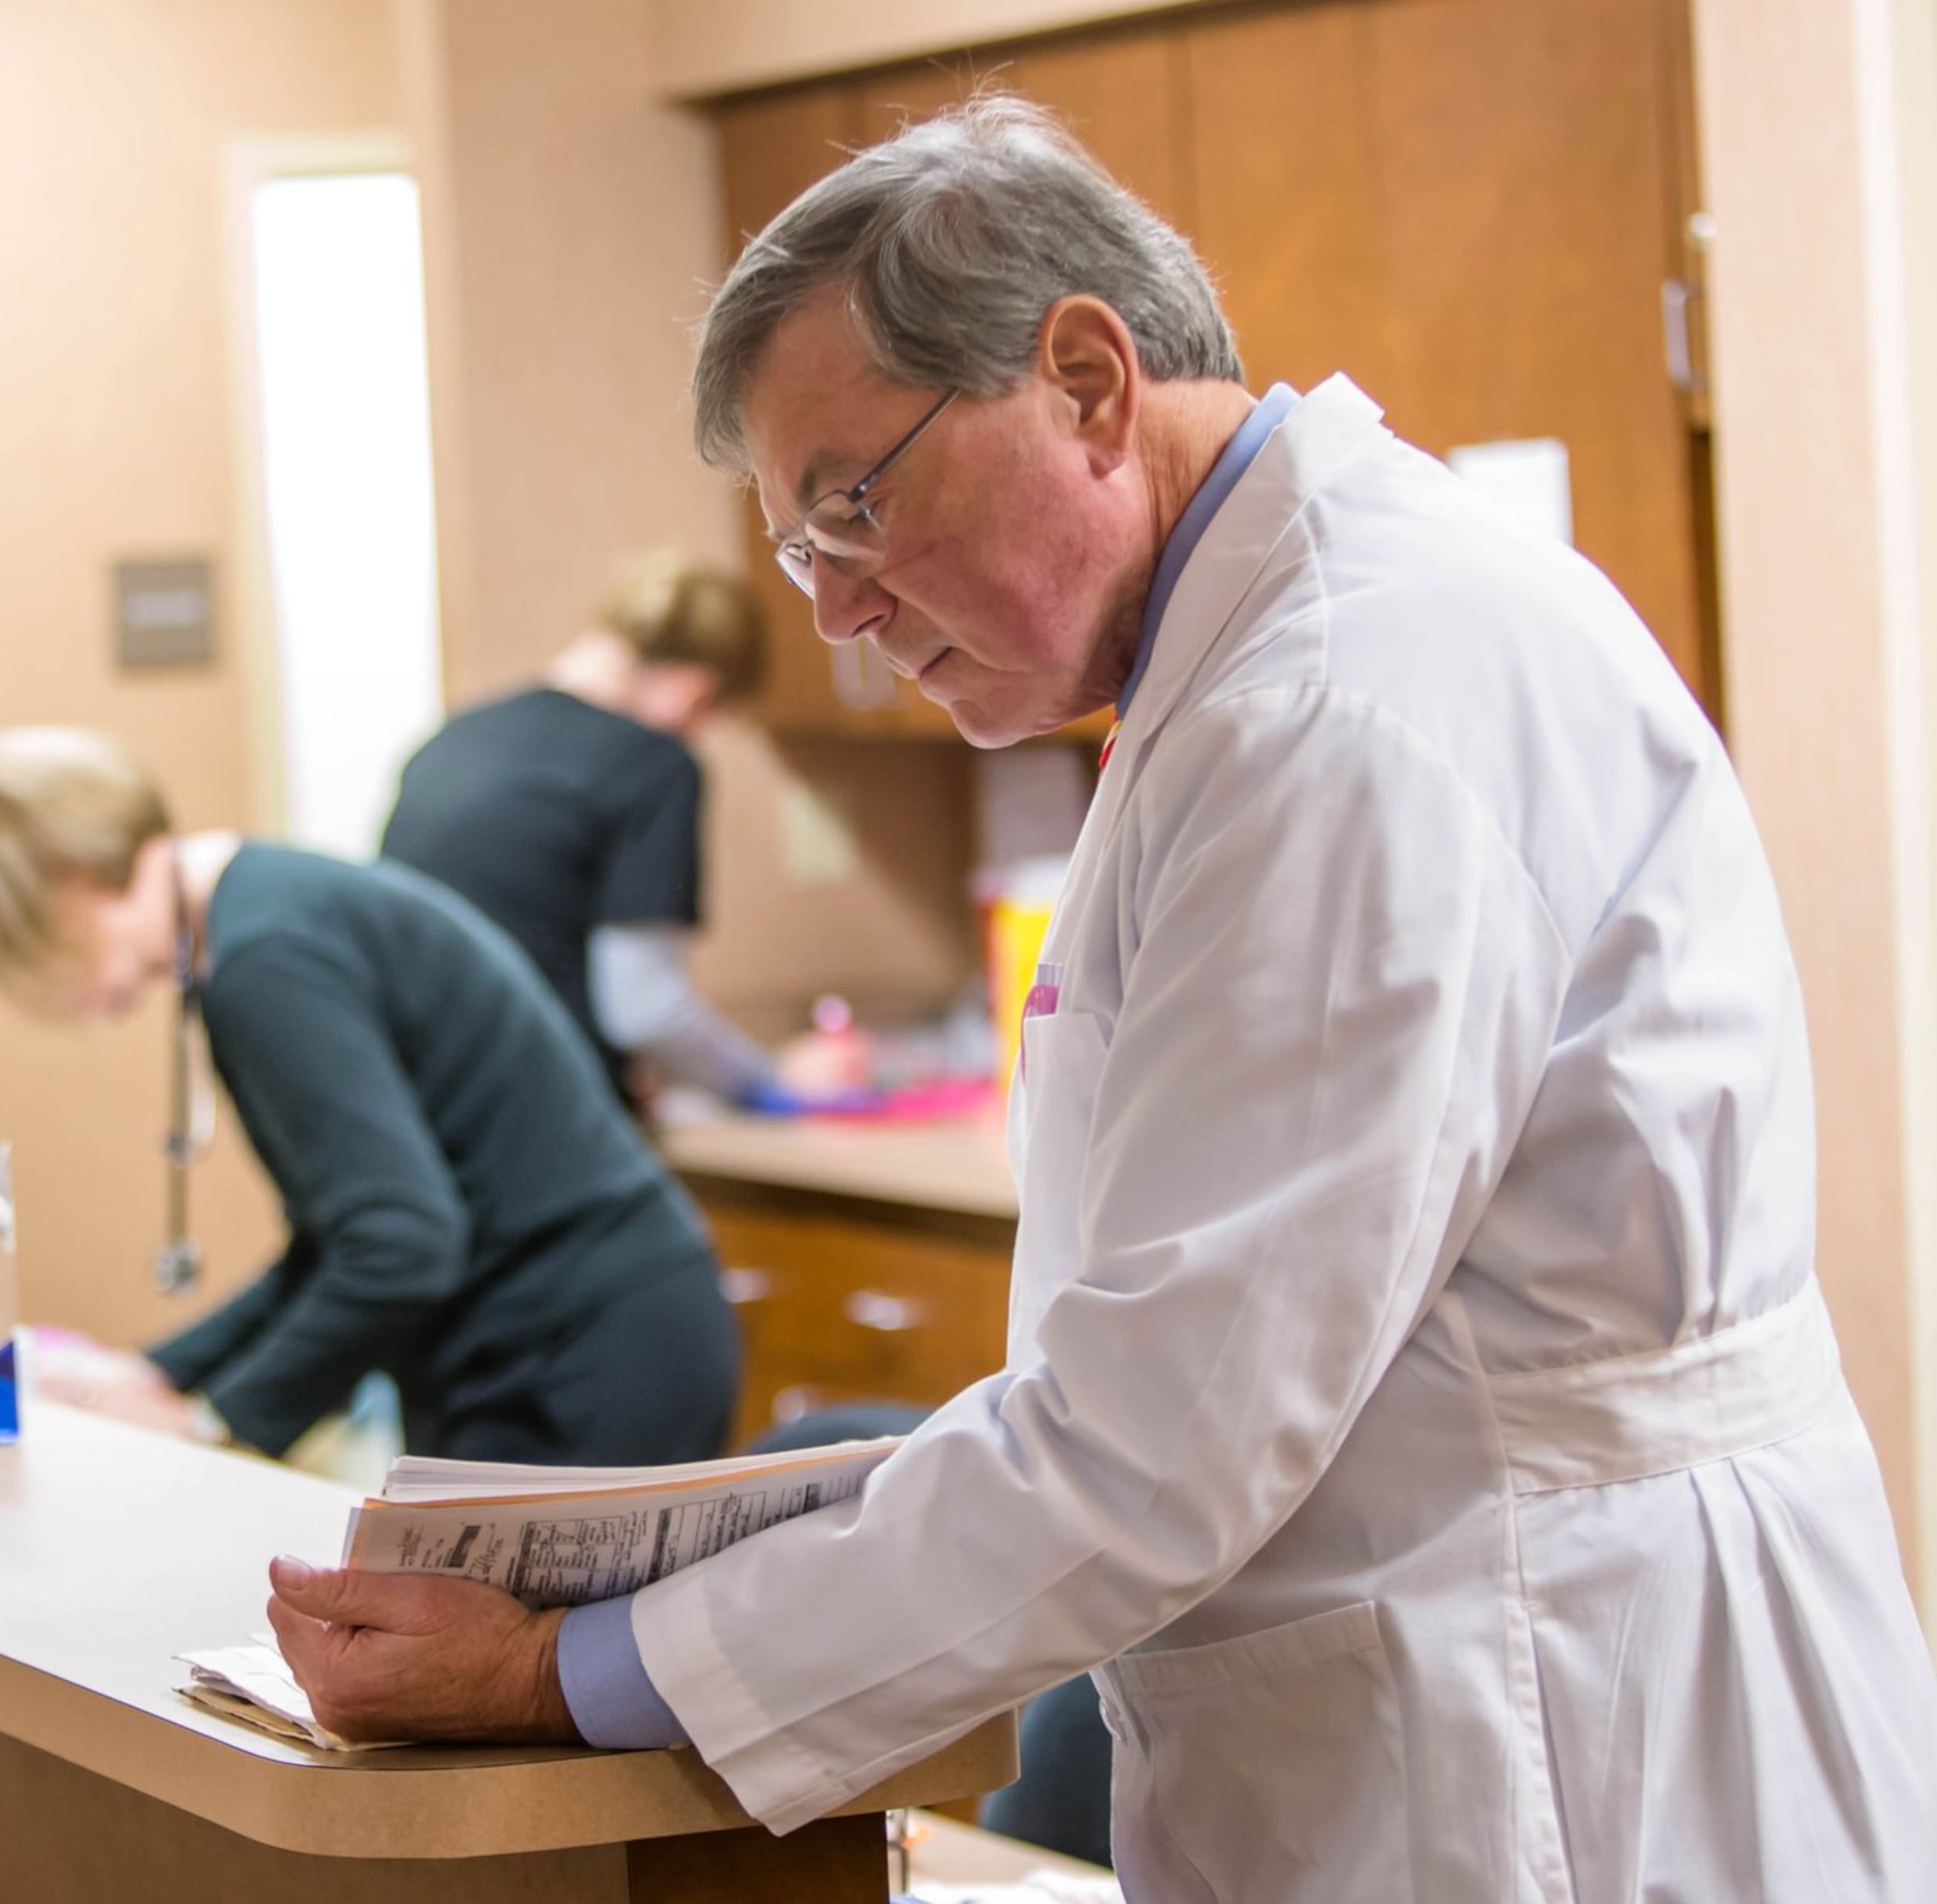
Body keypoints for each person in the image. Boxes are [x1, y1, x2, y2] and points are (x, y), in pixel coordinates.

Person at [260, 95, 1937, 1899]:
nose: (831, 608)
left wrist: (565, 1670)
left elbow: (1150, 1440)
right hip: (1446, 1663)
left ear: (1078, 377)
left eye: (851, 507)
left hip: (1549, 1716)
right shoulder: (1251, 671)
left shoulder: (1343, 698)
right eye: (798, 552)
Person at [0, 725, 736, 1466]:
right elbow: (344, 1239)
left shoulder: (264, 960)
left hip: (578, 1362)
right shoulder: (265, 909)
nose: (33, 989)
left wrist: (216, 1427)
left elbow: (402, 1244)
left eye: (18, 949)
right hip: (593, 1332)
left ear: (73, 880)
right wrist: (160, 1373)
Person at [378, 556, 780, 1105]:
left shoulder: (447, 743)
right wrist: (771, 1080)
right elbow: (645, 1008)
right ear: (695, 691)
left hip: (416, 1100)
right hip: (542, 1114)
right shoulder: (652, 764)